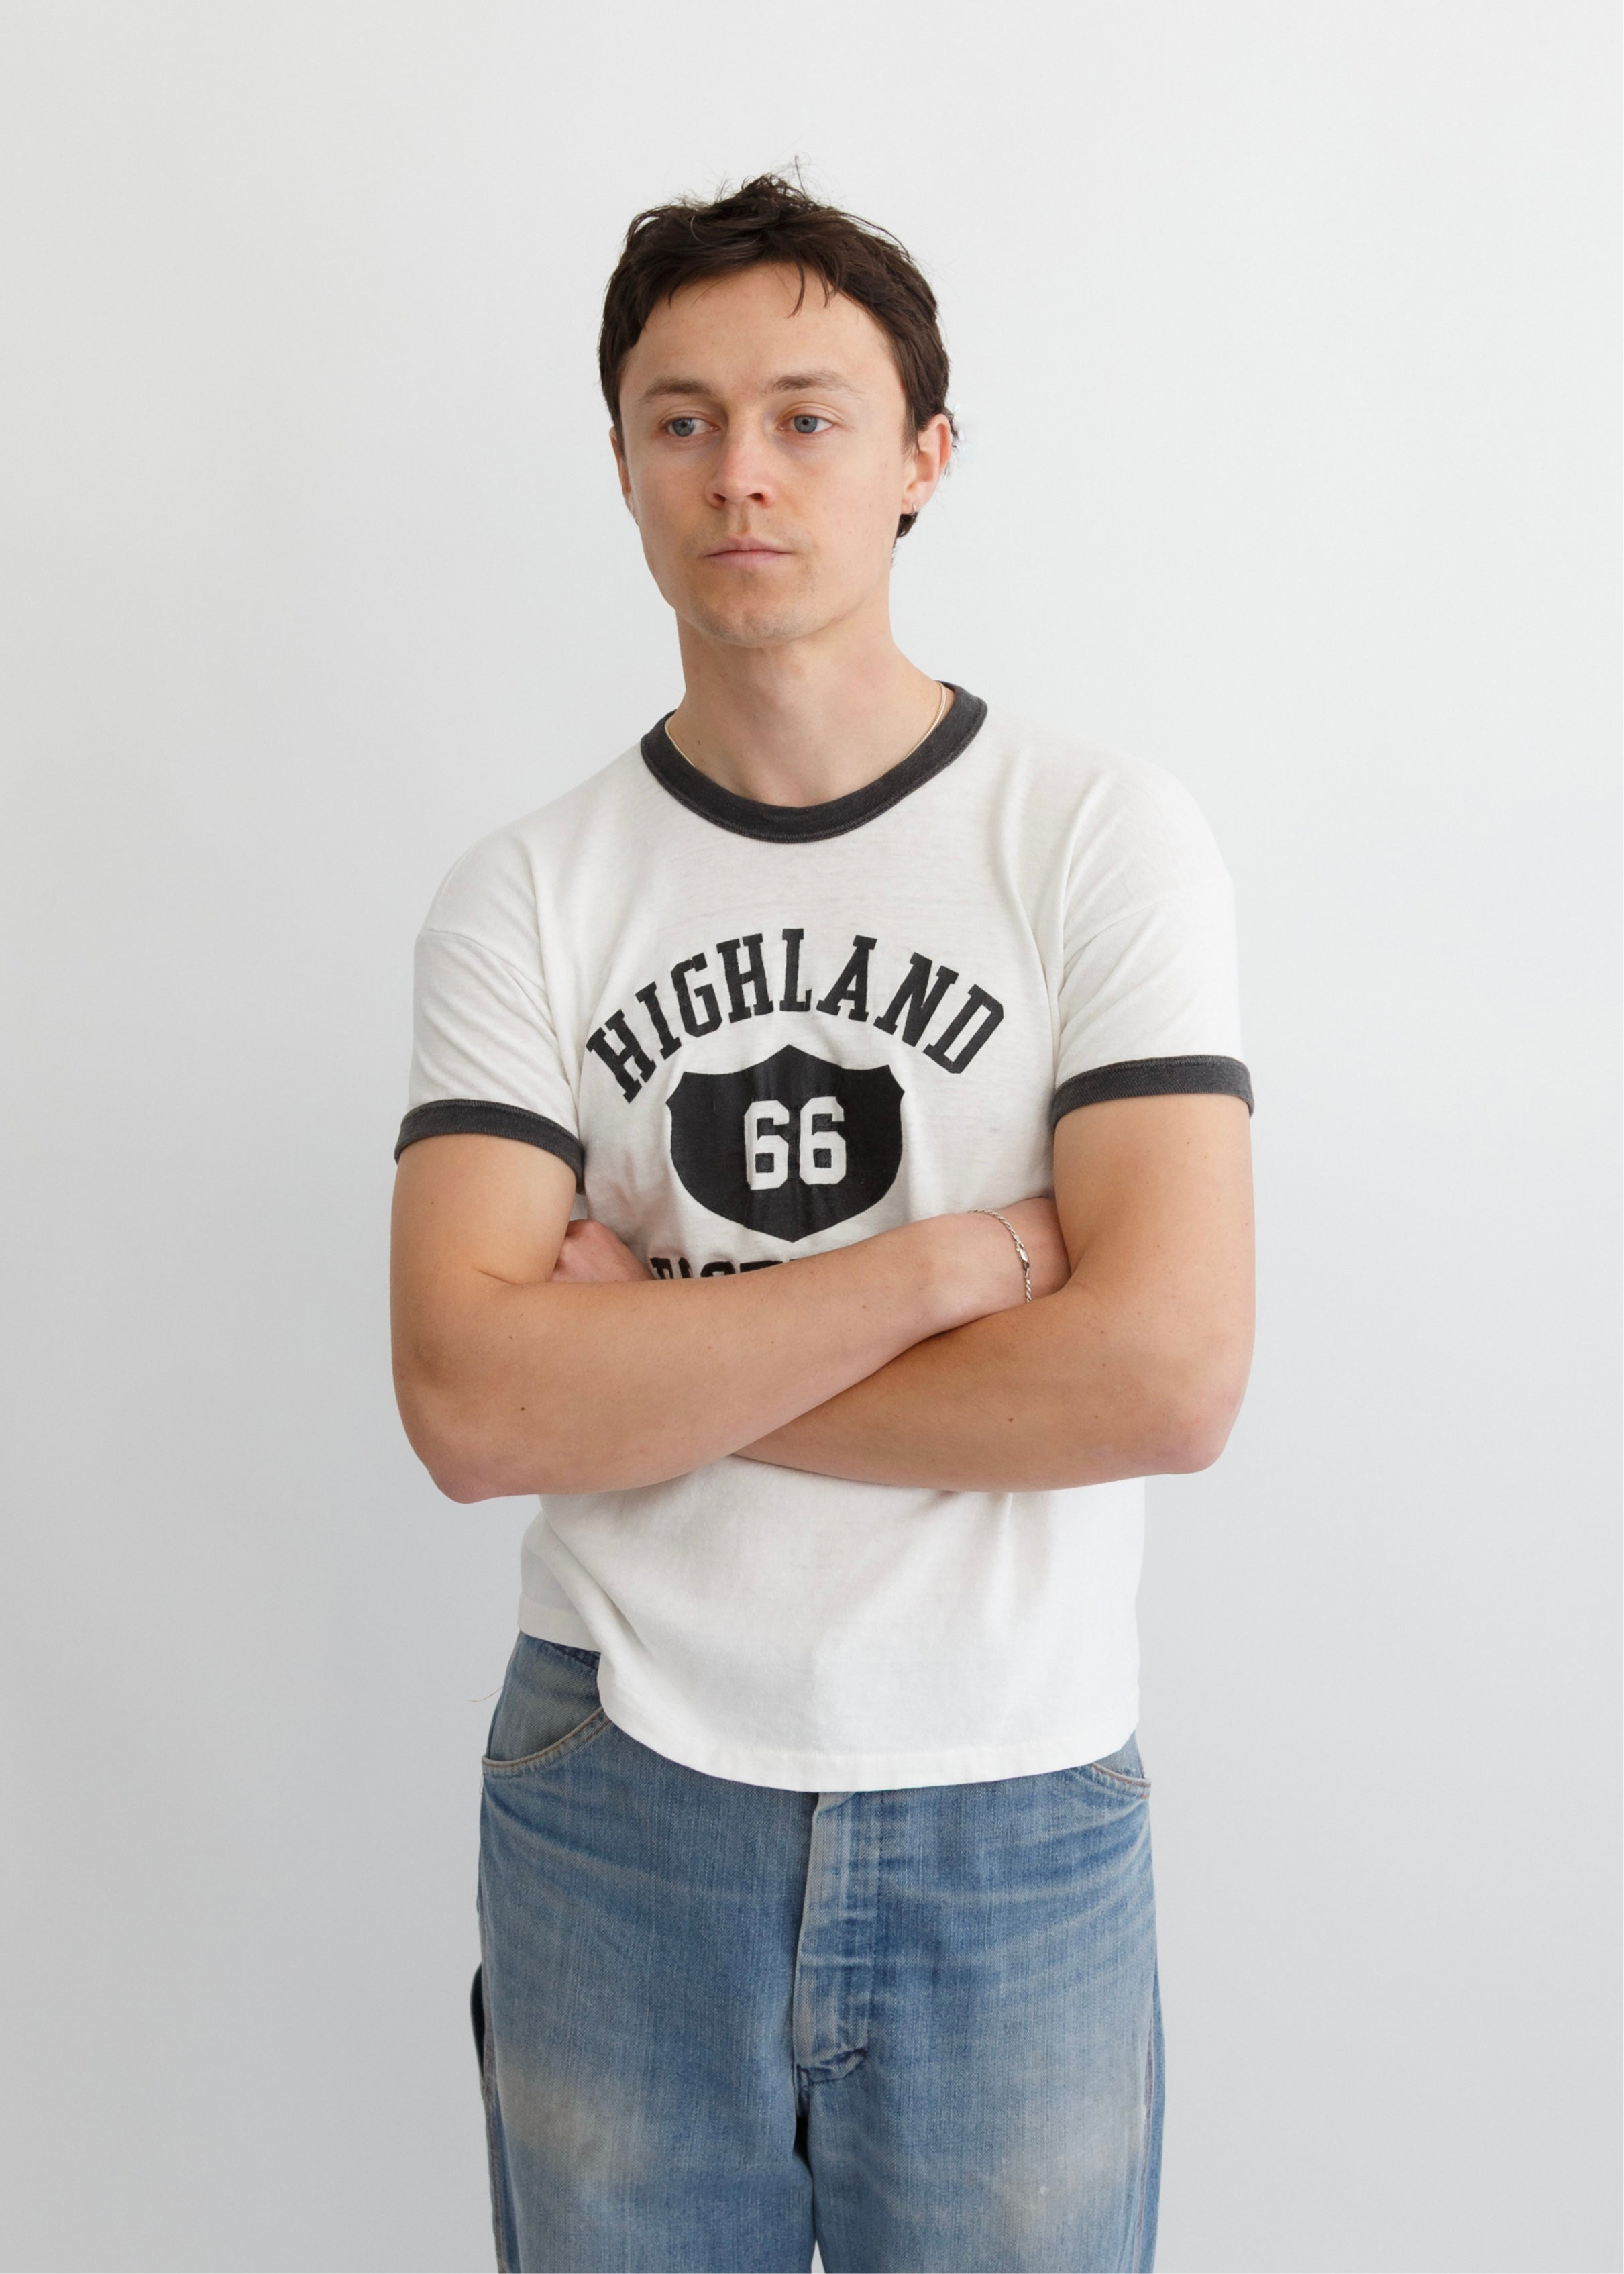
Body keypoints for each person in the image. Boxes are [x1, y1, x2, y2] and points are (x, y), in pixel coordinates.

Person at [390, 173, 1254, 2274]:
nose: (740, 473)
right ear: (621, 462)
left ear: (920, 458)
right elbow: (472, 1401)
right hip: (621, 1786)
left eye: (805, 416)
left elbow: (1164, 1373)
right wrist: (948, 1270)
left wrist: (649, 1354)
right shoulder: (527, 895)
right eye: (679, 420)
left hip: (1010, 1792)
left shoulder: (1094, 838)